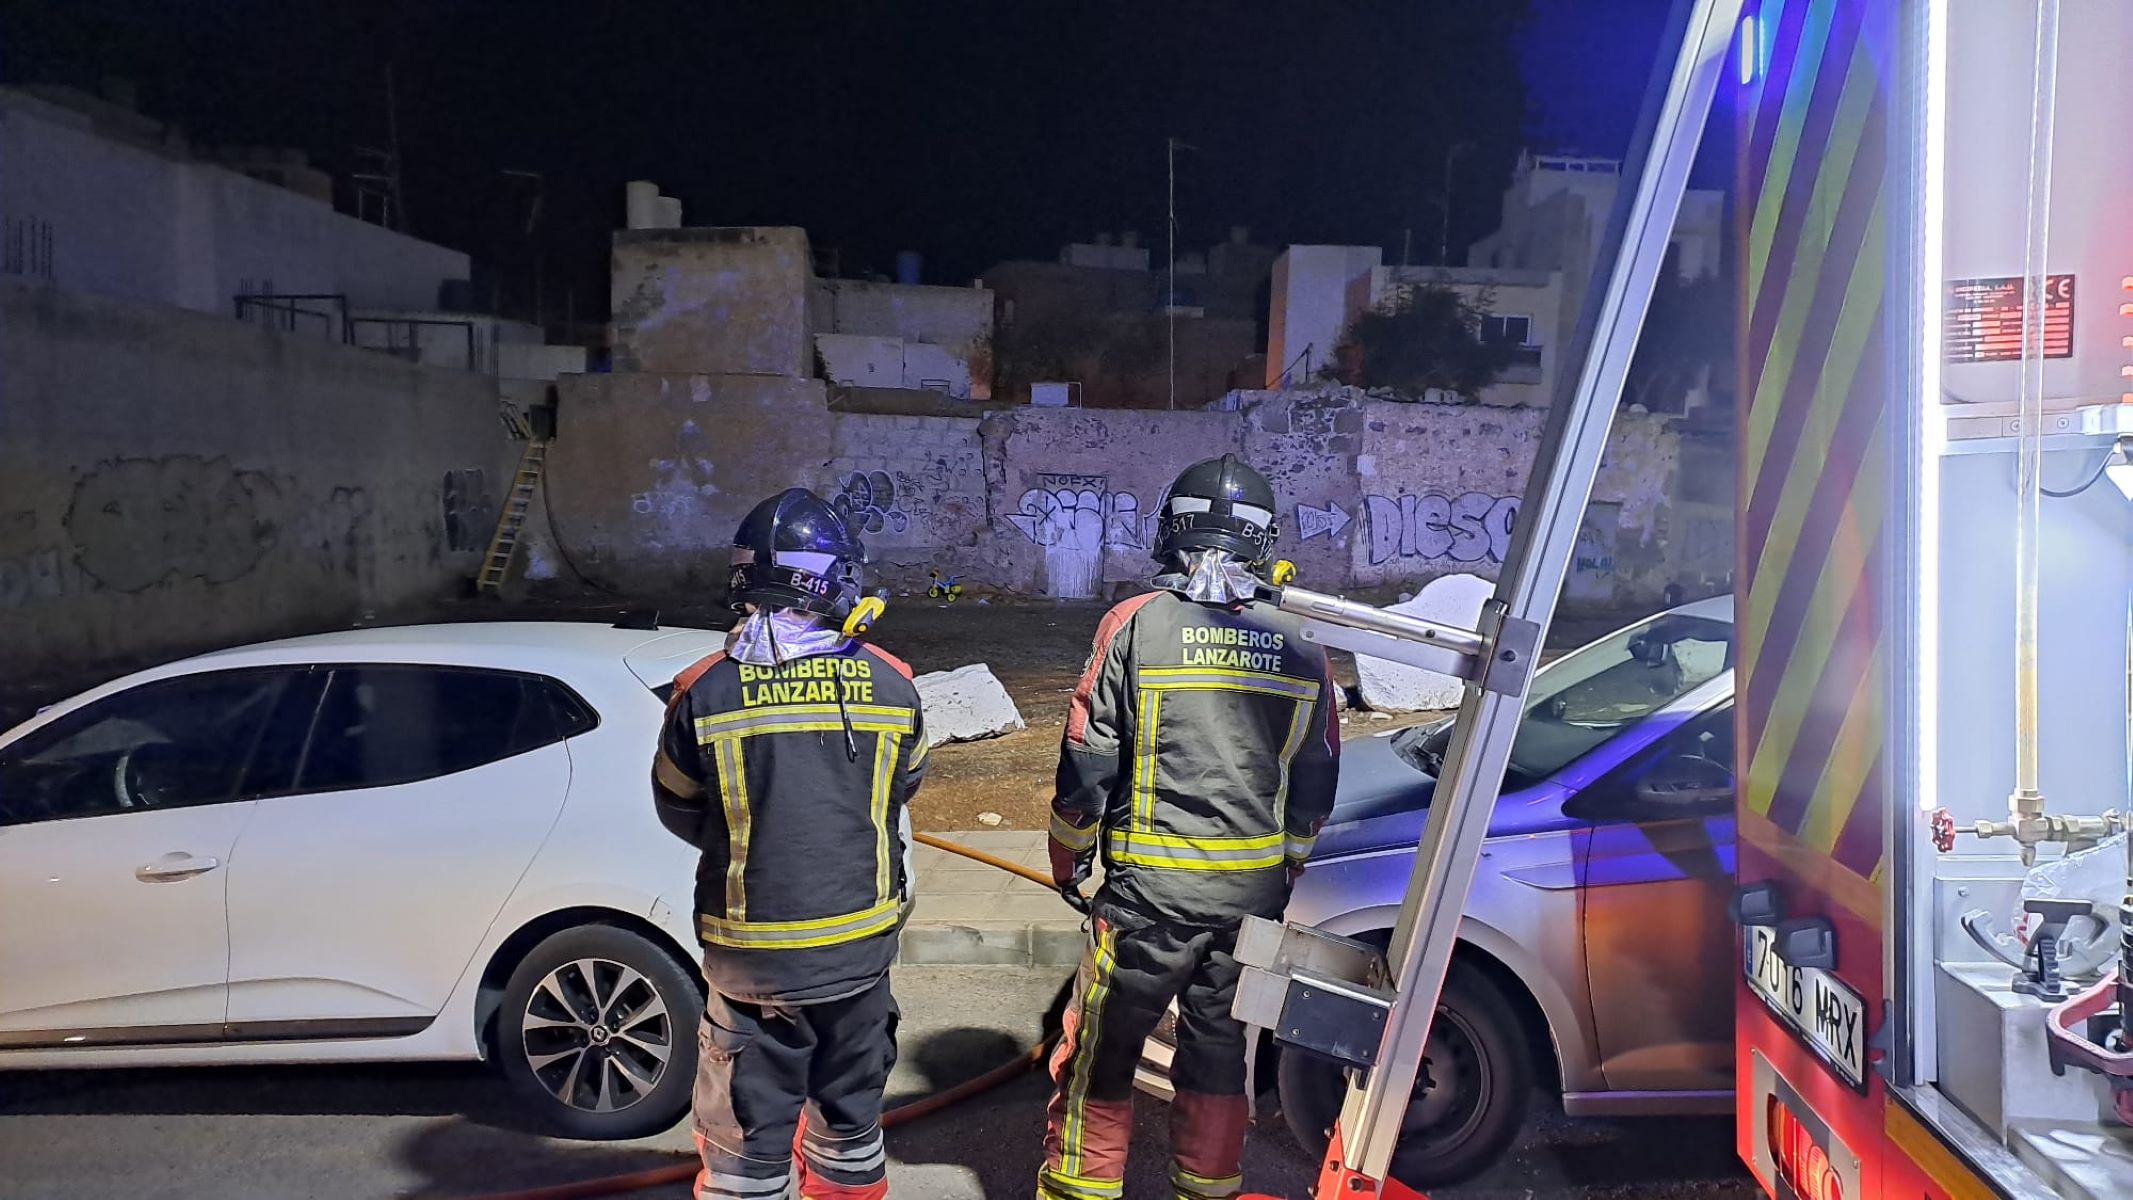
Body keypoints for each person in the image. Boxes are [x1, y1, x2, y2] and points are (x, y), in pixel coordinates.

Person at [1038, 454, 1341, 1200]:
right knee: (1217, 1054)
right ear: (1262, 542)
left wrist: (1068, 858)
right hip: (1248, 905)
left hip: (1149, 900)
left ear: (1171, 530)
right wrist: (1287, 865)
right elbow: (1316, 776)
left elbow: (1088, 760)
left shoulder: (1134, 624)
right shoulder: (1301, 641)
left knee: (1100, 1059)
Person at [653, 488, 927, 1200]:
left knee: (745, 1154)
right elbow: (902, 790)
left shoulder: (702, 691)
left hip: (750, 967)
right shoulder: (891, 685)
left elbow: (678, 809)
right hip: (858, 957)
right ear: (835, 580)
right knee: (850, 1139)